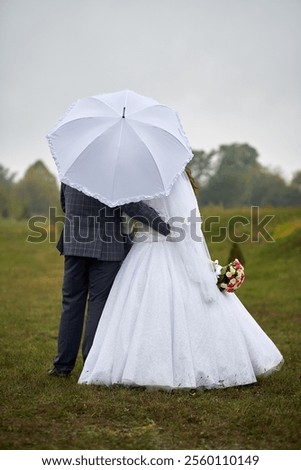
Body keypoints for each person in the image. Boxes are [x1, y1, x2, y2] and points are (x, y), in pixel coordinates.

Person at [78, 169, 283, 390]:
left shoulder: (149, 176)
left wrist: (159, 226)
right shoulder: (170, 174)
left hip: (152, 244)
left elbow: (143, 210)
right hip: (153, 242)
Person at [48, 183, 170, 377]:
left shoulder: (70, 171)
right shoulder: (114, 173)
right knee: (98, 303)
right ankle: (91, 364)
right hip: (106, 246)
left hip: (75, 242)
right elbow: (132, 207)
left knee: (71, 302)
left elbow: (65, 204)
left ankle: (62, 366)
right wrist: (162, 225)